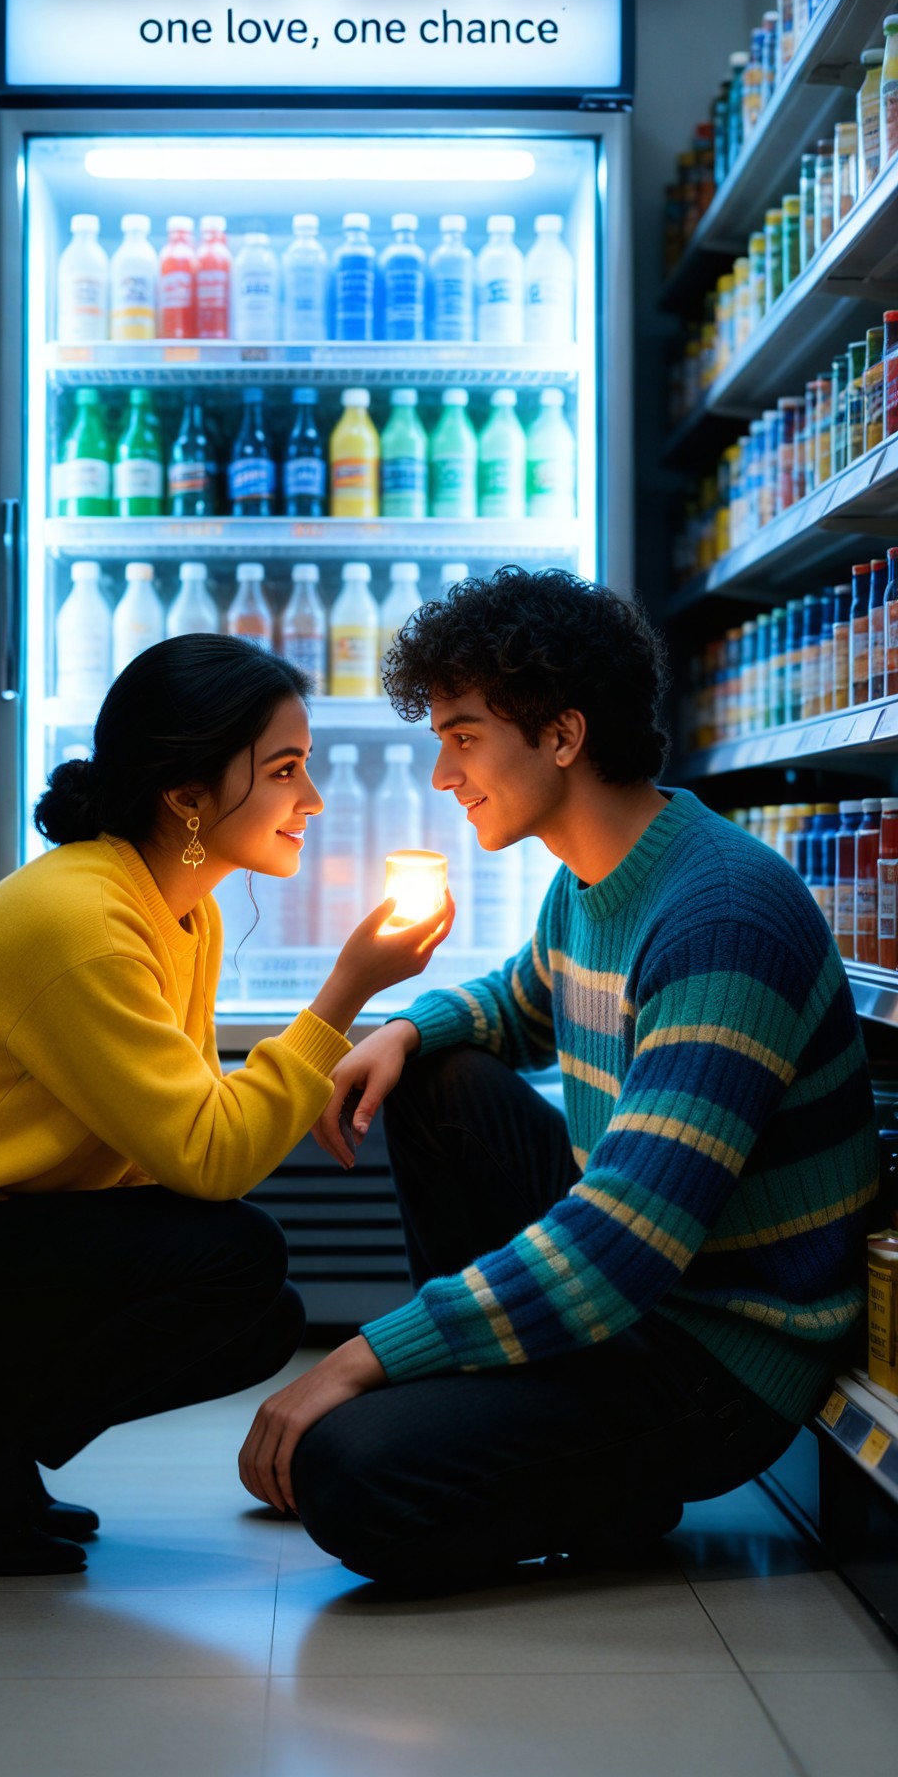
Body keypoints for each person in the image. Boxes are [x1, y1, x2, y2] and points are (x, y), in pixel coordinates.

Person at [238, 567, 880, 1593]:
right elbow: (520, 998)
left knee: (346, 1472)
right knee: (436, 1073)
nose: (444, 772)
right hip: (638, 1298)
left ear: (564, 735)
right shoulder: (592, 875)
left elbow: (625, 1237)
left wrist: (363, 1356)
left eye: (463, 733)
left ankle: (607, 1484)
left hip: (716, 1351)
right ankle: (512, 1412)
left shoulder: (720, 916)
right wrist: (404, 1025)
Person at [0, 634, 450, 1577]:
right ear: (187, 798)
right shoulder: (85, 923)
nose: (315, 801)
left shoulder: (181, 906)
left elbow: (173, 1136)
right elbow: (208, 1158)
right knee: (237, 1258)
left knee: (261, 1310)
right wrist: (344, 994)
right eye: (287, 770)